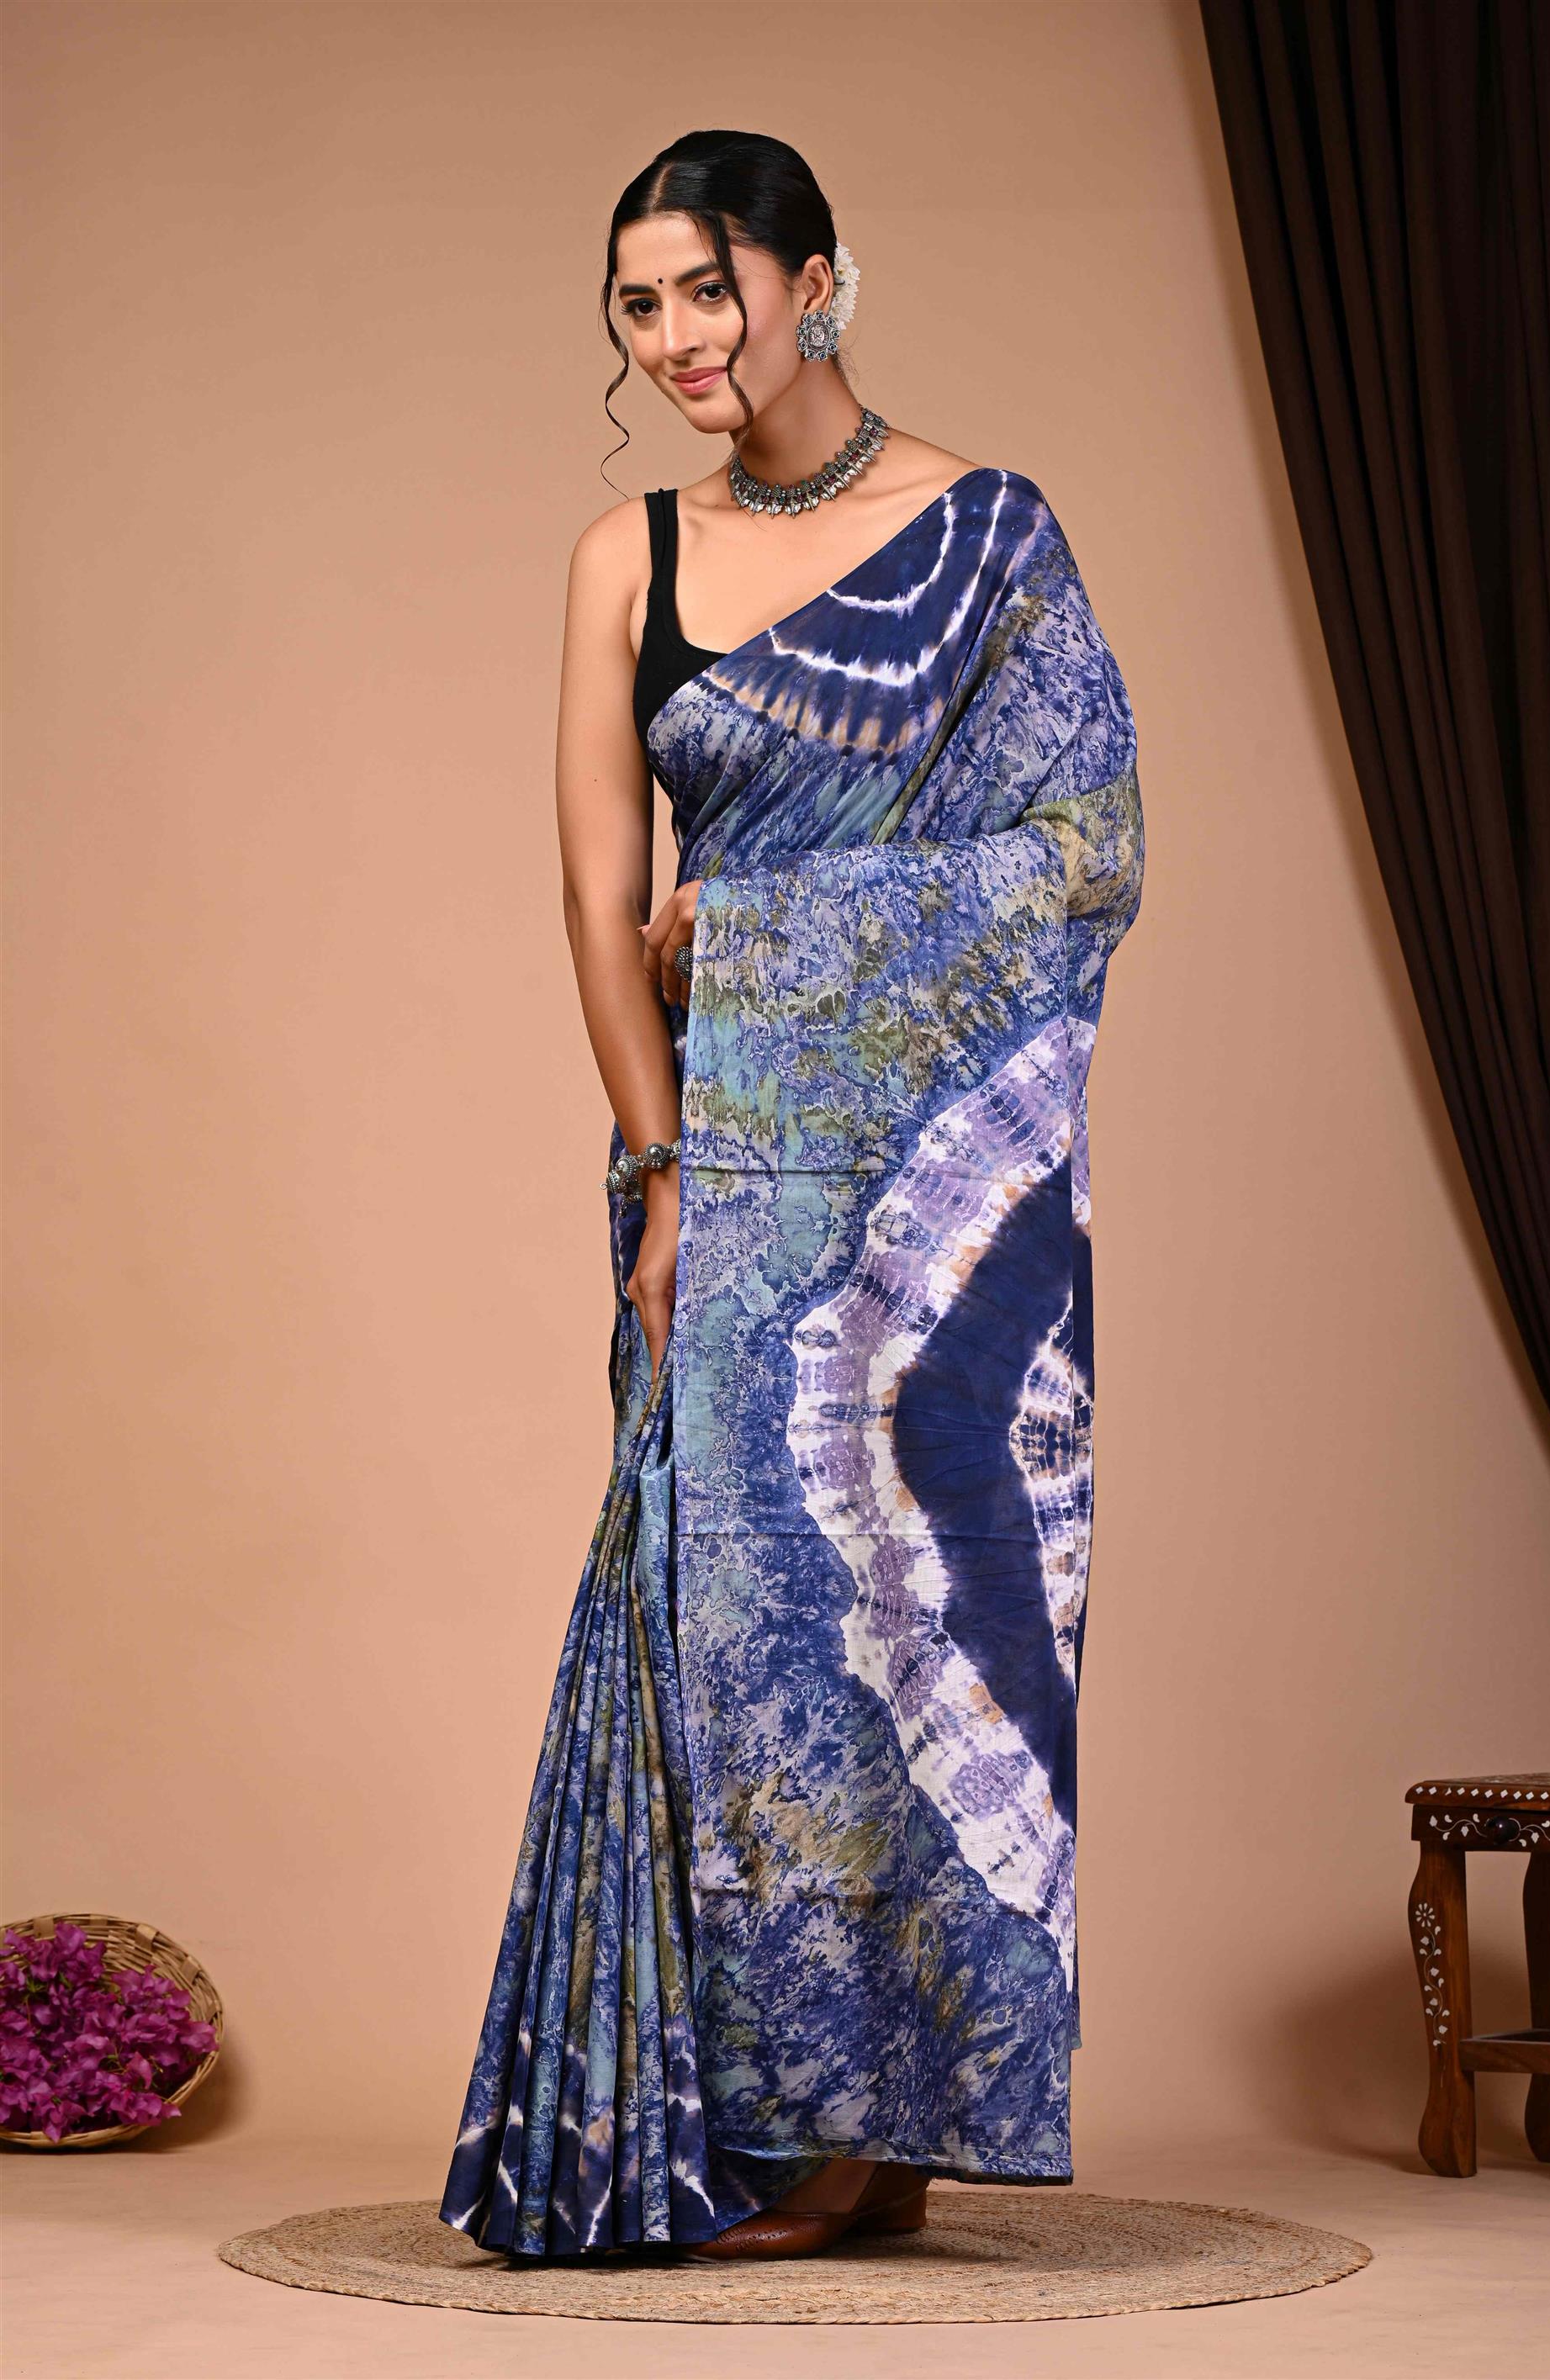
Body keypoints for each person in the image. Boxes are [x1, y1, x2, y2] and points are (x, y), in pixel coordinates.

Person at [439, 126, 1145, 2265]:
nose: (678, 338)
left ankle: (901, 2118)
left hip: (951, 1190)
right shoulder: (624, 557)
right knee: (740, 1623)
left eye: (710, 288)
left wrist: (761, 932)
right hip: (724, 1165)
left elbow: (1089, 852)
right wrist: (664, 1169)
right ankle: (769, 2113)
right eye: (638, 304)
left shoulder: (990, 535)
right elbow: (599, 899)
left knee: (928, 1610)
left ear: (817, 279)